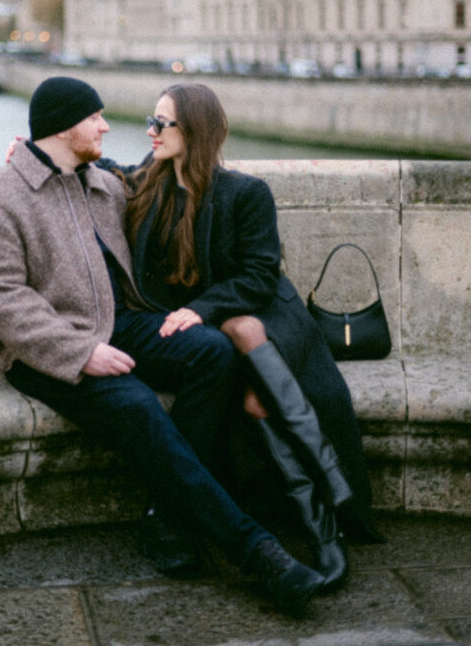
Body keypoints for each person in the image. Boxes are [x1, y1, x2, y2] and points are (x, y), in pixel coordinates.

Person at [0, 75, 325, 618]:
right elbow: (2, 300)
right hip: (47, 351)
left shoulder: (102, 184)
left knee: (211, 351)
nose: (107, 126)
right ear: (67, 127)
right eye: (96, 118)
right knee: (136, 403)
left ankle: (166, 515)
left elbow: (145, 176)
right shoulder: (3, 203)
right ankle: (257, 552)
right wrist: (80, 352)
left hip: (118, 322)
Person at [111, 83, 383, 589]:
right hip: (207, 325)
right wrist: (30, 152)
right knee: (246, 379)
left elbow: (261, 275)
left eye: (160, 123)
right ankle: (325, 509)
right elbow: (97, 166)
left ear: (193, 130)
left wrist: (200, 309)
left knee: (250, 366)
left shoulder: (245, 192)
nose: (149, 132)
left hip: (261, 314)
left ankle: (324, 525)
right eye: (150, 121)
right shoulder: (145, 182)